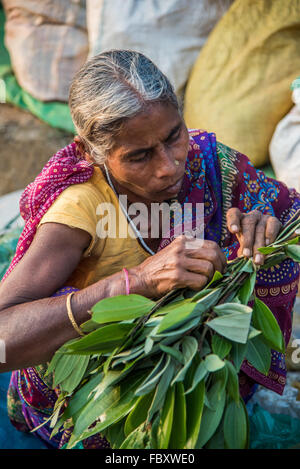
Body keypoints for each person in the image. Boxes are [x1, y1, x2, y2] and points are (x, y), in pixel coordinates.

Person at [0, 50, 299, 449]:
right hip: (100, 404)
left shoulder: (208, 163)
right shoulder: (80, 209)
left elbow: (290, 215)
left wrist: (263, 226)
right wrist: (133, 283)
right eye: (139, 156)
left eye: (174, 136)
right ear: (92, 153)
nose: (169, 166)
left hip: (196, 386)